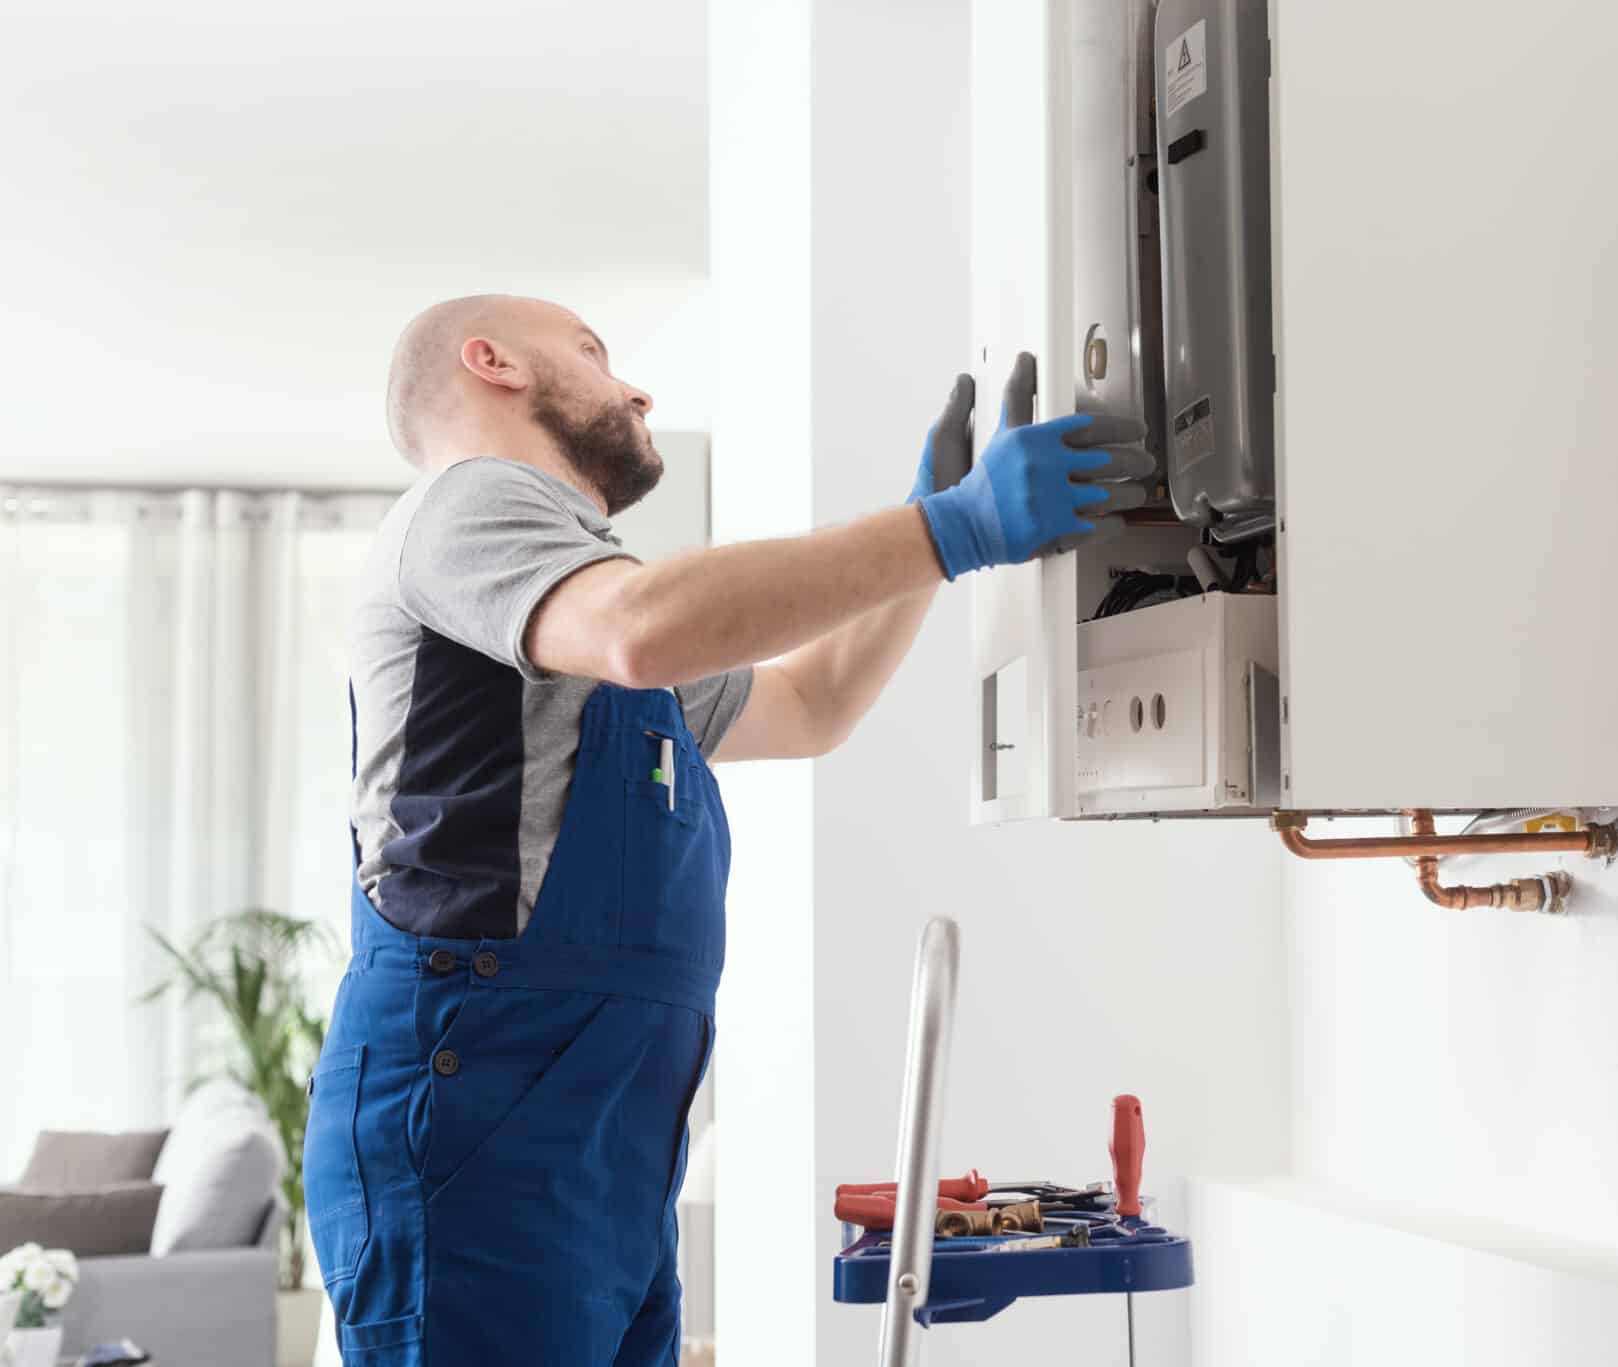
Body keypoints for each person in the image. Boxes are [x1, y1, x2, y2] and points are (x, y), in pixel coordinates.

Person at [302, 294, 1149, 1364]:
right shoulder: (471, 504)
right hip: (477, 1127)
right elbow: (642, 626)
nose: (636, 387)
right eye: (594, 352)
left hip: (599, 1146)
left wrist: (939, 542)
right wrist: (950, 525)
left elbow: (809, 708)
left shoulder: (571, 616)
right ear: (492, 362)